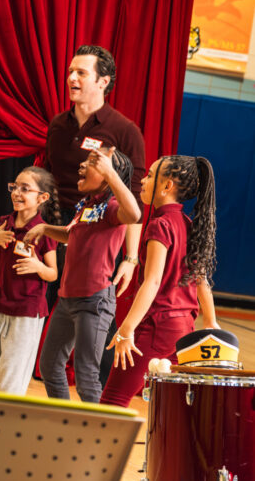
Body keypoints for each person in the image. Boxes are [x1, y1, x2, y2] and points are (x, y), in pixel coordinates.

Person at [100, 156, 219, 406]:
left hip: (157, 328)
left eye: (151, 175)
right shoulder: (187, 224)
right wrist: (210, 321)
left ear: (167, 186)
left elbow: (152, 282)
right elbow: (201, 279)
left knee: (112, 401)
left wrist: (127, 329)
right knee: (169, 407)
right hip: (183, 330)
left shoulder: (160, 225)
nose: (143, 180)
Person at [27, 146, 141, 402]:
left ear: (109, 174)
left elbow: (134, 215)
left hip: (94, 302)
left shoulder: (113, 207)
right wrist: (45, 228)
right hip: (67, 299)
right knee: (49, 366)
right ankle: (65, 419)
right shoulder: (89, 205)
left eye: (92, 163)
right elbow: (71, 235)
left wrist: (110, 173)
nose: (82, 165)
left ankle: (96, 428)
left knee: (86, 376)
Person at [45, 45, 146, 298]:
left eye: (81, 73)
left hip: (97, 229)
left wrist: (131, 258)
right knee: (37, 308)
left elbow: (134, 198)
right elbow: (47, 177)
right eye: (70, 71)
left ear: (103, 82)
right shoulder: (58, 124)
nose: (71, 78)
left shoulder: (125, 131)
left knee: (87, 311)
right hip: (54, 223)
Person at [0, 166, 59, 395]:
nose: (17, 193)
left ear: (42, 198)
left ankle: (4, 412)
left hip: (26, 311)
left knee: (12, 372)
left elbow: (53, 273)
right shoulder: (3, 222)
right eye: (15, 187)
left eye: (25, 189)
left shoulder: (44, 231)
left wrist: (38, 266)